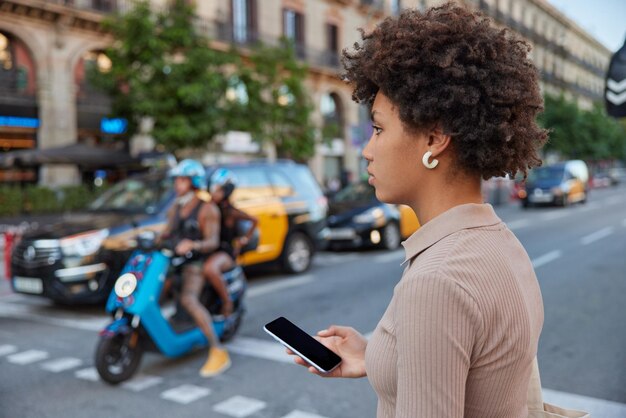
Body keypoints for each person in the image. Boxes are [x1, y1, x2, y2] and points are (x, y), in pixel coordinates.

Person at [289, 4, 548, 417]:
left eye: (377, 129)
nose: (366, 151)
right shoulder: (500, 244)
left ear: (433, 138)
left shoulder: (439, 280)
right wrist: (374, 356)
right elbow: (479, 376)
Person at [160, 159, 231, 377]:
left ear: (193, 182)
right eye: (176, 180)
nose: (177, 185)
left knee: (188, 299)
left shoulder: (207, 208)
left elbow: (212, 241)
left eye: (181, 180)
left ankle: (217, 350)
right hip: (173, 261)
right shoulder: (176, 206)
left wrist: (193, 244)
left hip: (196, 263)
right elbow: (166, 233)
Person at [203, 168, 258, 317]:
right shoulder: (207, 207)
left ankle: (227, 302)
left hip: (224, 252)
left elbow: (254, 220)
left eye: (218, 190)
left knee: (210, 269)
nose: (214, 193)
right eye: (212, 189)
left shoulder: (230, 212)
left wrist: (244, 239)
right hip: (207, 250)